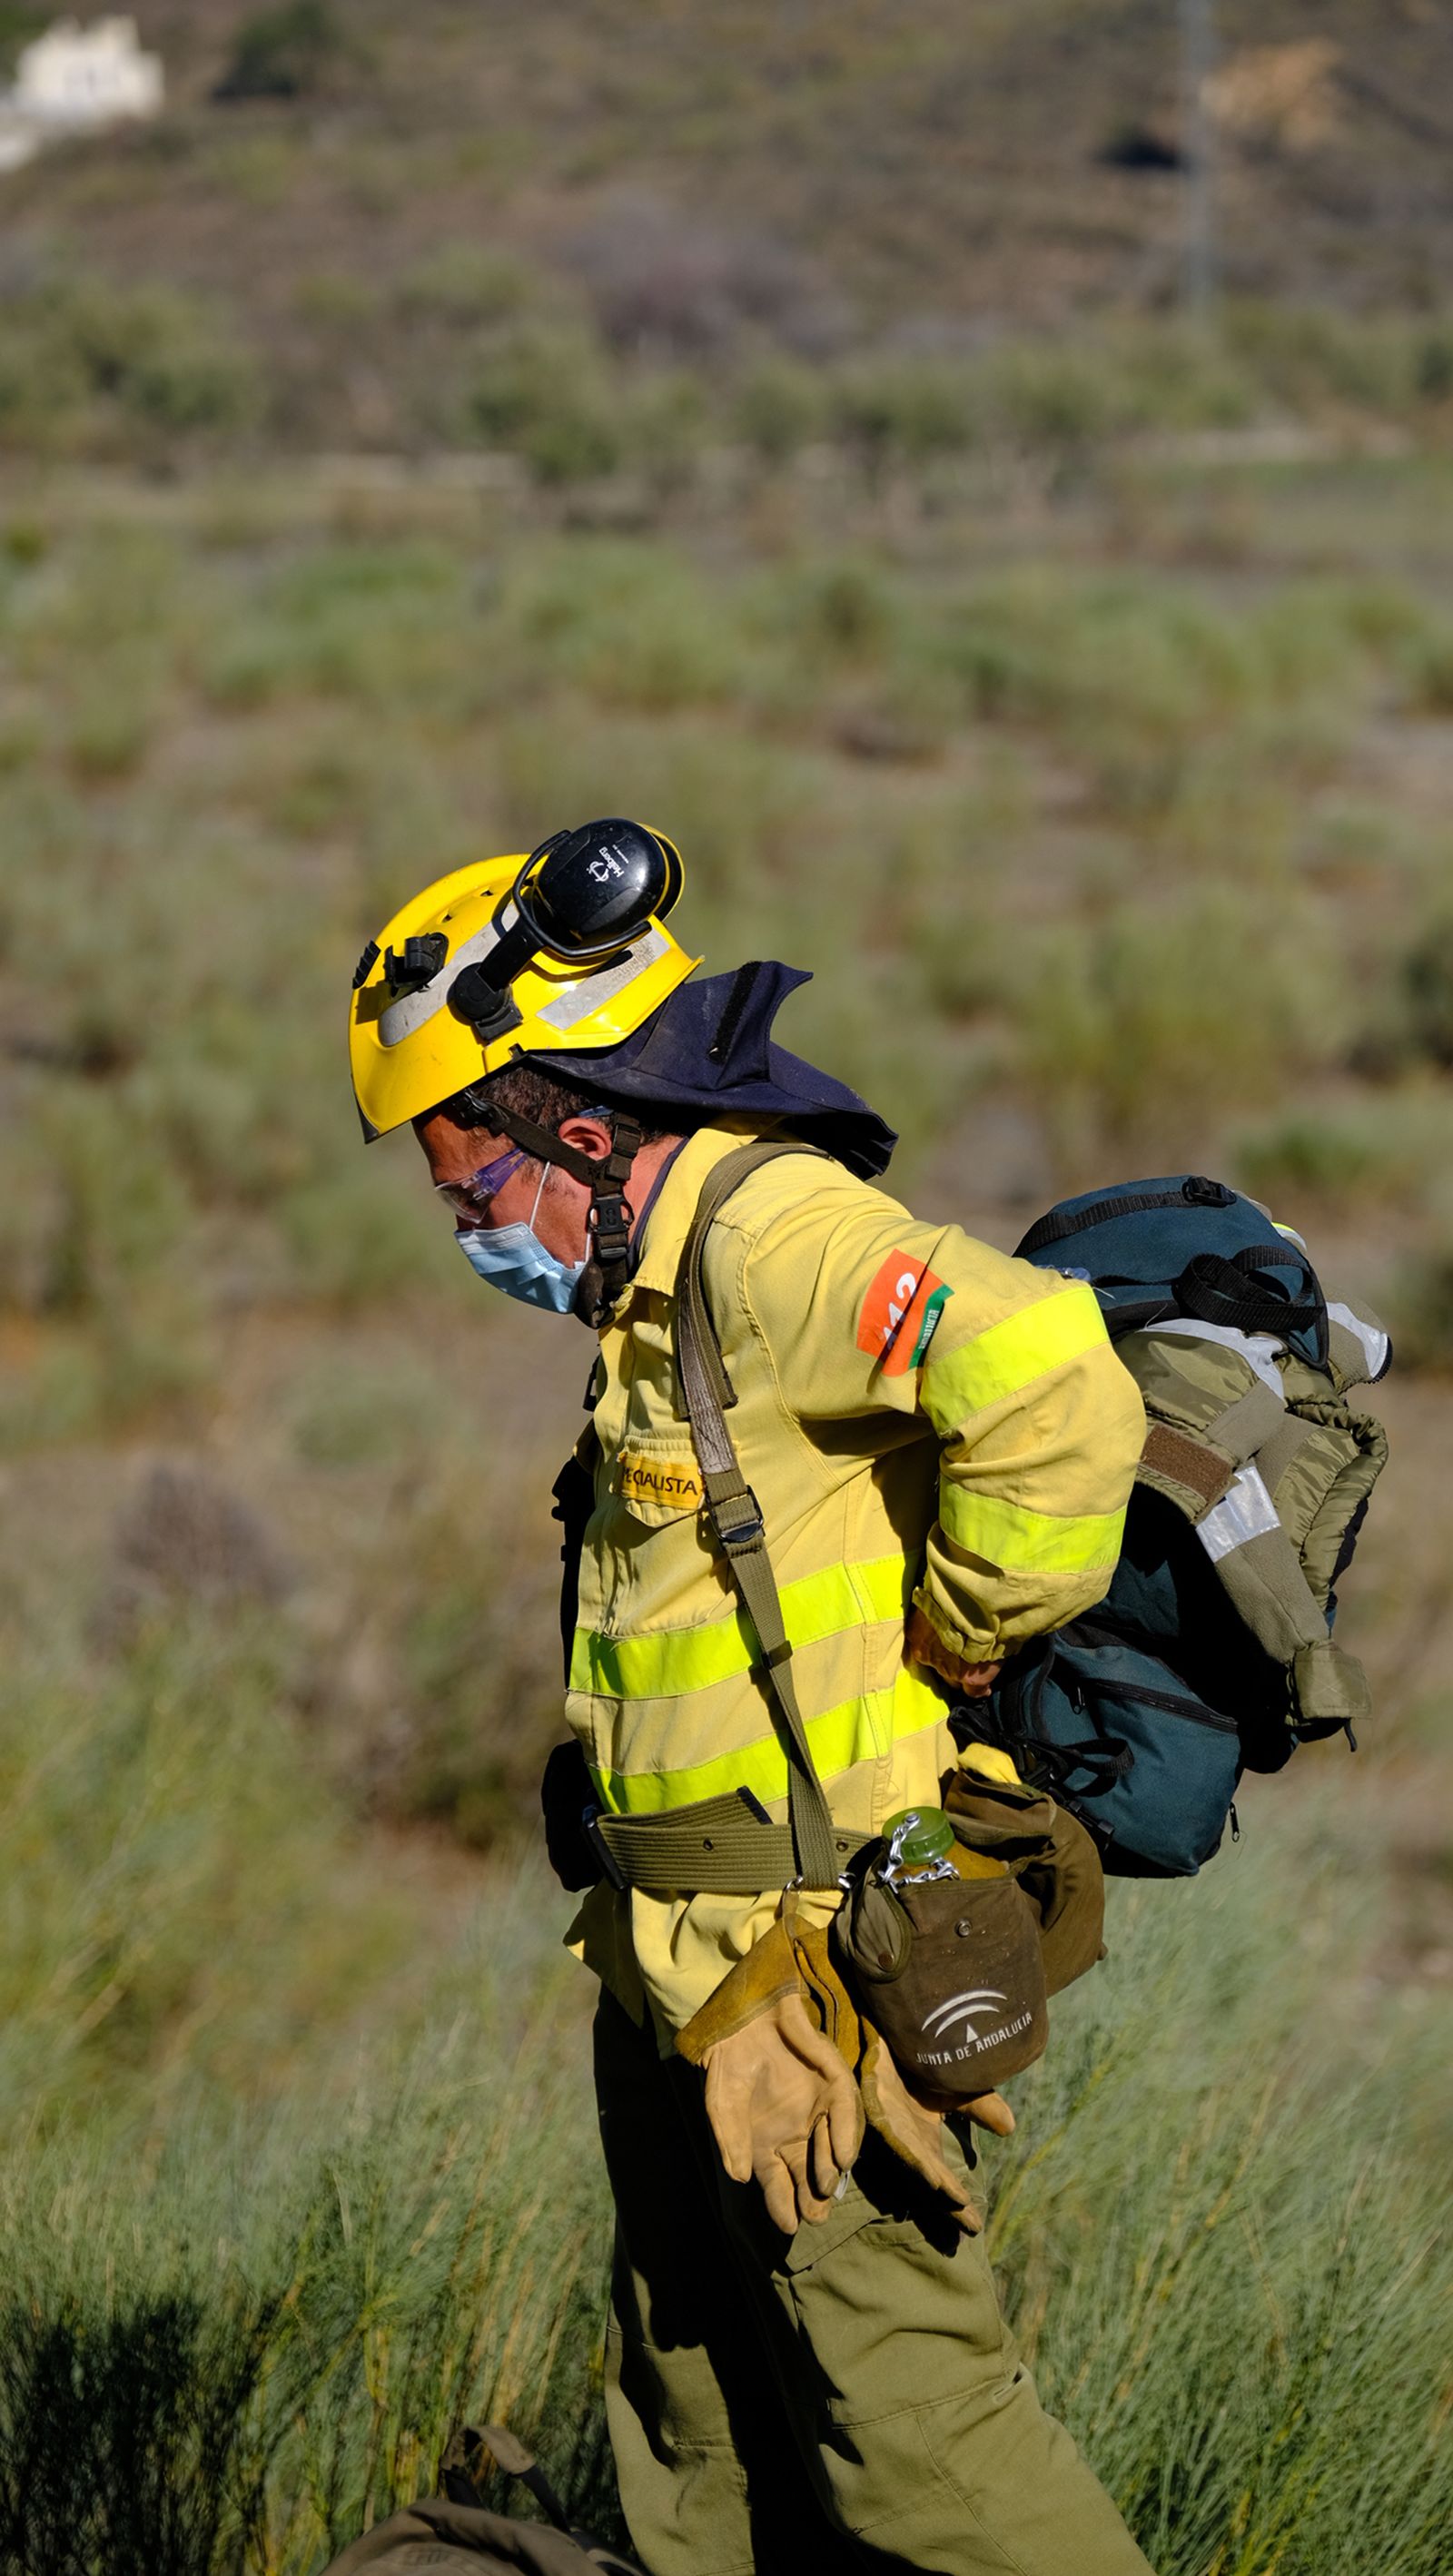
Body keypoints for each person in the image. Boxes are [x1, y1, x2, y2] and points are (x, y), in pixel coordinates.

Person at [351, 818, 1154, 2576]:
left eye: (465, 1175)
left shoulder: (762, 1236)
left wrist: (963, 1627)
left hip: (815, 2000)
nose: (467, 1224)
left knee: (921, 2461)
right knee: (693, 2454)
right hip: (669, 2004)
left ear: (565, 1116)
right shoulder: (639, 1301)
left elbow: (1050, 1381)